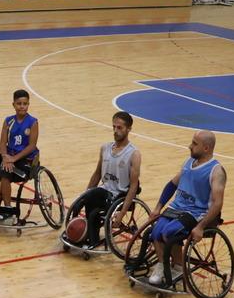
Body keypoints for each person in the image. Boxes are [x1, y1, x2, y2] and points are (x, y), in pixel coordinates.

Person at [144, 130, 225, 286]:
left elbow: (217, 203)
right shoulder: (188, 163)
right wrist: (158, 207)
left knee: (169, 234)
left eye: (195, 144)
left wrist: (201, 227)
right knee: (155, 233)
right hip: (176, 208)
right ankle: (161, 266)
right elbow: (172, 185)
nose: (190, 146)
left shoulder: (216, 171)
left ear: (206, 148)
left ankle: (179, 267)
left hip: (195, 213)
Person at [66, 111, 142, 247]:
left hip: (118, 196)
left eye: (120, 128)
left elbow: (134, 186)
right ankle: (76, 233)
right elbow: (97, 174)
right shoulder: (105, 148)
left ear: (129, 129)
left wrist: (122, 212)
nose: (115, 131)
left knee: (93, 206)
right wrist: (85, 193)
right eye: (114, 127)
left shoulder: (134, 154)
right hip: (102, 192)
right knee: (79, 202)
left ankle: (91, 238)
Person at [0, 89, 40, 226]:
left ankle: (7, 208)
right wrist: (6, 157)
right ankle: (7, 209)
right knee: (4, 172)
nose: (22, 106)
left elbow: (31, 146)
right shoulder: (8, 121)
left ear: (28, 104)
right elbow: (2, 143)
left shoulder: (33, 122)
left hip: (27, 159)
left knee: (7, 170)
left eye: (25, 103)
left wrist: (14, 159)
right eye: (19, 103)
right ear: (13, 104)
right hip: (10, 157)